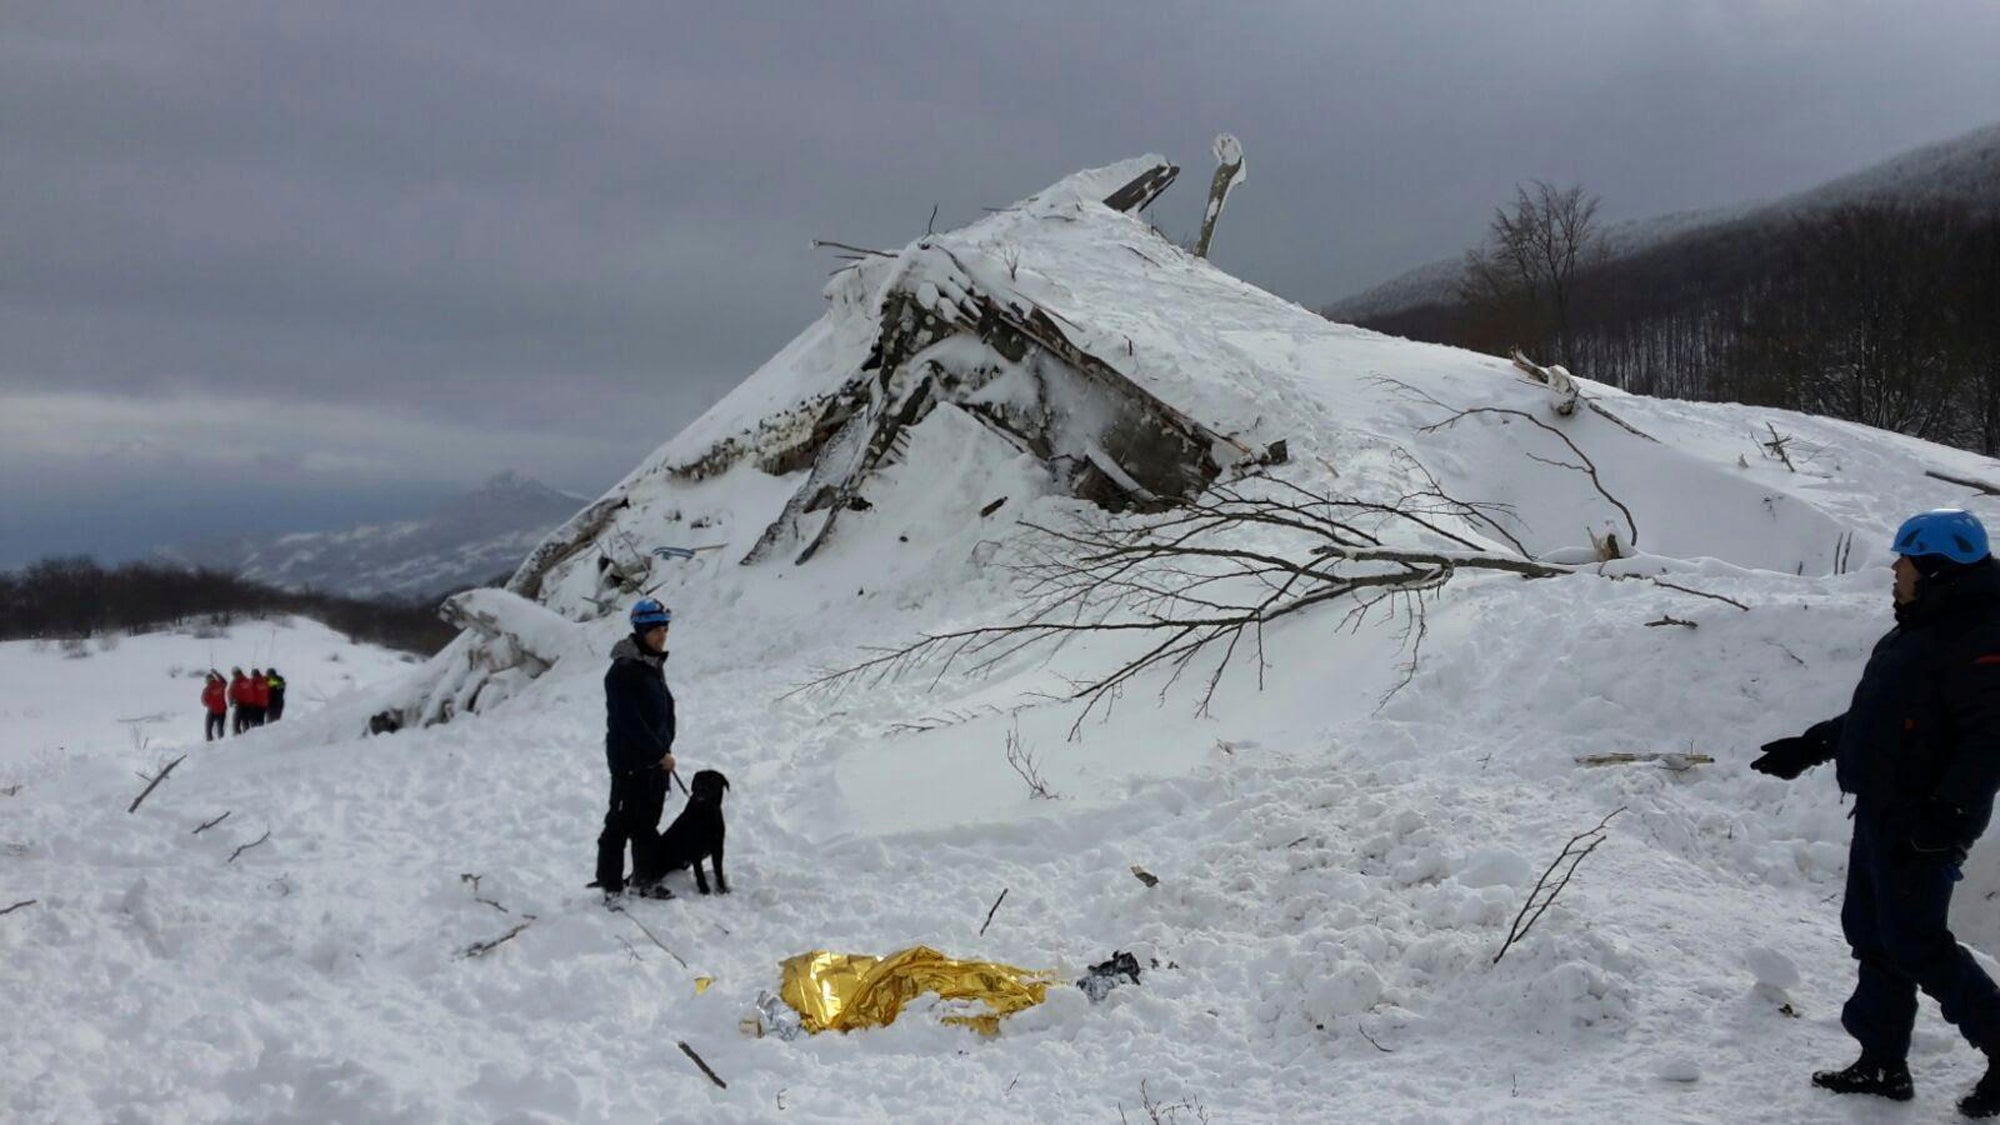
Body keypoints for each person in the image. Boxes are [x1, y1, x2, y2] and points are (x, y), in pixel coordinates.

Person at [1754, 509, 2000, 1118]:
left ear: (1936, 569)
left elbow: (1988, 743)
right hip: (1885, 809)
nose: (1894, 568)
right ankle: (1882, 1059)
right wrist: (1811, 746)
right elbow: (1882, 715)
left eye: (1905, 559)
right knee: (1873, 937)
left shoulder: (1980, 641)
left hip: (1925, 820)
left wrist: (1945, 818)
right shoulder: (1921, 627)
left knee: (1918, 944)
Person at [593, 598, 678, 900]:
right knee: (618, 825)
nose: (661, 635)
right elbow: (628, 721)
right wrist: (660, 753)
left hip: (654, 761)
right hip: (630, 763)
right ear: (640, 631)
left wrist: (663, 747)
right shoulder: (623, 671)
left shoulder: (650, 665)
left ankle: (644, 879)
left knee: (646, 824)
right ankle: (611, 886)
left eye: (664, 629)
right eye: (655, 630)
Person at [201, 671, 228, 742]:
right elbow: (225, 681)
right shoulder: (220, 684)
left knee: (208, 728)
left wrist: (209, 705)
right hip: (222, 710)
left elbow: (204, 701)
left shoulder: (206, 689)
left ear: (208, 680)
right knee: (220, 728)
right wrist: (216, 673)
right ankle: (222, 742)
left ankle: (209, 743)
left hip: (212, 711)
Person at [228, 668, 250, 734]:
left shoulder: (235, 682)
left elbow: (230, 692)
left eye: (233, 674)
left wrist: (231, 702)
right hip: (249, 704)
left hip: (239, 704)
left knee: (236, 721)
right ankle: (248, 735)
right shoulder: (247, 680)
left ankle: (237, 736)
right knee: (245, 721)